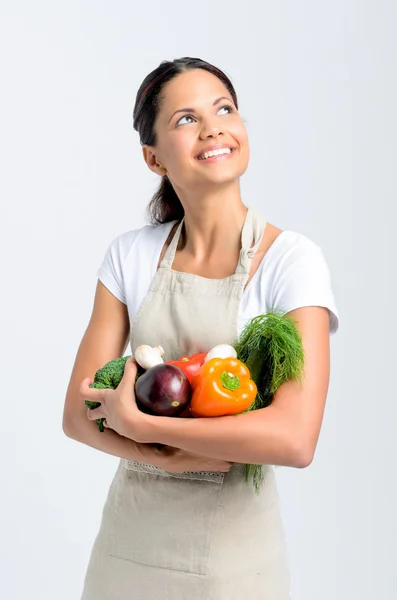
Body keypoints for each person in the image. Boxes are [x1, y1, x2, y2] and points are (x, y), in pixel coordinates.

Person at [62, 57, 339, 600]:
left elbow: (294, 436)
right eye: (186, 119)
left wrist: (148, 428)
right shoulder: (131, 256)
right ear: (154, 157)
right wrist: (156, 449)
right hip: (126, 552)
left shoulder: (291, 261)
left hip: (233, 568)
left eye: (224, 109)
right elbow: (78, 412)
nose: (213, 126)